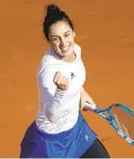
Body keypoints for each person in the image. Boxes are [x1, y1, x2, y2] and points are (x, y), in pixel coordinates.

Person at [19, 4, 110, 158]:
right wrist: (61, 91)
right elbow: (52, 116)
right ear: (49, 41)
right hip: (50, 143)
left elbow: (75, 75)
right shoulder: (49, 72)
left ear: (73, 33)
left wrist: (81, 92)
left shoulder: (76, 50)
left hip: (76, 132)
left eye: (66, 35)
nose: (63, 43)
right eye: (56, 39)